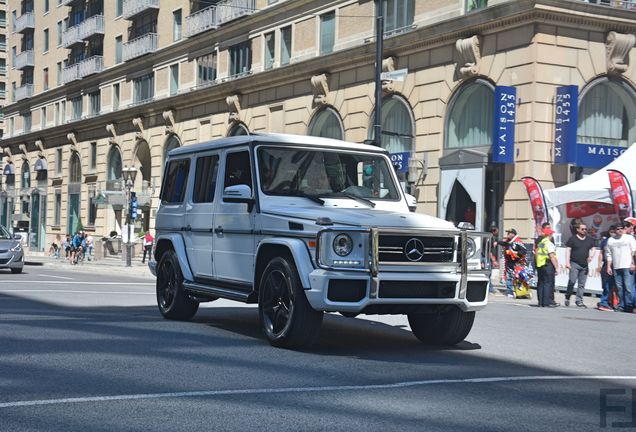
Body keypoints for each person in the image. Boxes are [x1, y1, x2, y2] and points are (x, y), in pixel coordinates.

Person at [604, 222, 636, 313]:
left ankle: (629, 305)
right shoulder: (611, 240)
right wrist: (609, 267)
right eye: (618, 229)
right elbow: (608, 254)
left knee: (628, 287)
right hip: (617, 266)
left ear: (624, 229)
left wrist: (633, 263)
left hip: (628, 265)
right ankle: (621, 305)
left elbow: (634, 251)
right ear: (614, 230)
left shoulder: (629, 238)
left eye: (622, 228)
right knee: (619, 288)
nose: (620, 230)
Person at [564, 222, 596, 308]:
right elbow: (568, 250)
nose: (584, 230)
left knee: (581, 284)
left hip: (584, 265)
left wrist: (591, 256)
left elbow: (593, 248)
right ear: (578, 230)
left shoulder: (589, 240)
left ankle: (579, 301)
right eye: (582, 229)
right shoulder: (572, 239)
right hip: (574, 263)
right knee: (572, 281)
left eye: (586, 229)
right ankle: (567, 296)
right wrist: (567, 262)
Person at [536, 227, 560, 307]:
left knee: (541, 284)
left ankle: (541, 302)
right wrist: (556, 267)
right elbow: (552, 256)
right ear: (549, 234)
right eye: (551, 233)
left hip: (540, 265)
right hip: (548, 264)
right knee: (548, 284)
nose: (552, 235)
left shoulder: (542, 243)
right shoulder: (549, 243)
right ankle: (546, 303)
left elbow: (538, 253)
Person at [499, 228, 526, 298]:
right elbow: (504, 244)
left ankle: (520, 292)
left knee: (518, 277)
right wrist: (498, 242)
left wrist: (515, 252)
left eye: (509, 233)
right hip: (509, 263)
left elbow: (524, 251)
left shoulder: (518, 242)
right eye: (507, 233)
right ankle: (509, 292)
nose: (507, 235)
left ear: (513, 234)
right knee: (509, 277)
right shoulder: (509, 241)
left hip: (517, 263)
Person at [597, 226, 616, 311]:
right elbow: (601, 254)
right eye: (611, 232)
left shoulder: (618, 241)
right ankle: (604, 302)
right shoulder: (605, 241)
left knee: (616, 286)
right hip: (606, 264)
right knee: (607, 285)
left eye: (613, 232)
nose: (612, 233)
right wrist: (599, 265)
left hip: (617, 264)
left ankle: (613, 302)